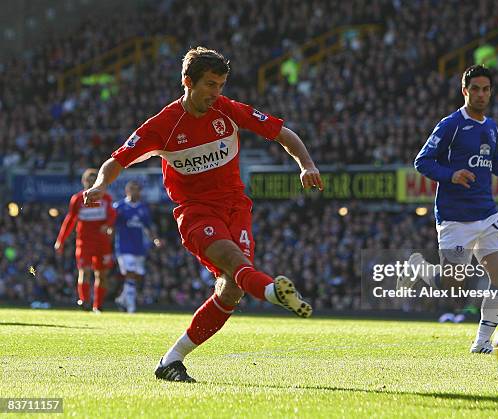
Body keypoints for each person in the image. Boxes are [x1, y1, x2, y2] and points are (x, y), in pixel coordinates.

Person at [83, 47, 324, 382]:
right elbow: (117, 161)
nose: (216, 93)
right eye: (210, 84)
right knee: (236, 262)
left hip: (237, 208)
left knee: (231, 289)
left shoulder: (227, 110)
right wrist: (99, 186)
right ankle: (273, 291)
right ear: (187, 82)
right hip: (196, 213)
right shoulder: (163, 125)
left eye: (221, 85)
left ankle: (171, 360)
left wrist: (307, 165)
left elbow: (283, 134)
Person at [405, 64, 498, 353]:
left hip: (487, 213)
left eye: (486, 89)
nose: (481, 94)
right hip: (454, 217)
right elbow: (422, 161)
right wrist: (451, 175)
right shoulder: (450, 125)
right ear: (464, 91)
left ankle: (482, 341)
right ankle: (422, 269)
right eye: (476, 89)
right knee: (453, 285)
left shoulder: (491, 126)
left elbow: (494, 162)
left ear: (491, 92)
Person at [54, 168, 116, 313]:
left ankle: (98, 305)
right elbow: (70, 220)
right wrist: (60, 240)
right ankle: (84, 301)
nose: (91, 183)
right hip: (84, 242)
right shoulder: (77, 199)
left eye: (94, 180)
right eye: (88, 180)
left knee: (101, 274)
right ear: (84, 181)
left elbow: (112, 215)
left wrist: (108, 225)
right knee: (85, 271)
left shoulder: (105, 198)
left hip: (102, 242)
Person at [113, 181, 162, 313]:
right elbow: (112, 224)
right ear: (127, 191)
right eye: (133, 189)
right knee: (130, 273)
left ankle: (122, 299)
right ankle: (131, 306)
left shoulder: (143, 208)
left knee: (138, 275)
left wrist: (155, 239)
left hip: (139, 247)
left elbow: (148, 227)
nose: (136, 192)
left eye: (138, 190)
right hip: (124, 247)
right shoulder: (119, 207)